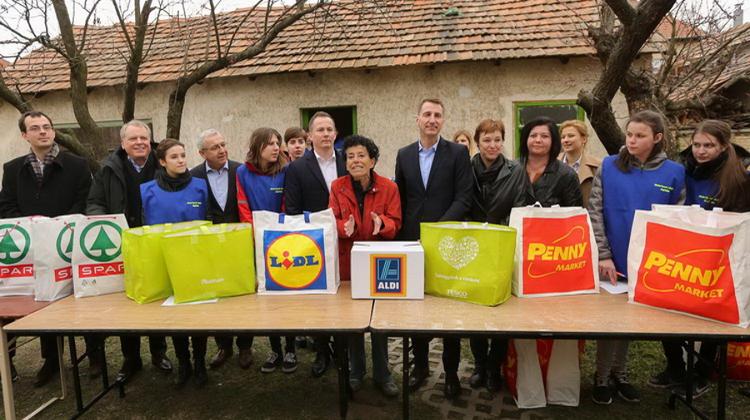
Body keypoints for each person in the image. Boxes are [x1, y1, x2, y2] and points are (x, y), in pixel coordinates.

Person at [588, 110, 685, 405]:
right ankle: (601, 377)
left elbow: (678, 221)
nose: (631, 140)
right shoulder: (608, 166)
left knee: (628, 322)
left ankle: (621, 374)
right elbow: (595, 211)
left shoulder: (675, 173)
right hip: (612, 260)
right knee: (610, 322)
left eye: (640, 136)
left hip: (650, 262)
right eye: (629, 134)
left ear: (657, 138)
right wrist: (604, 254)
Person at [651, 120, 750, 399]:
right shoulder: (681, 169)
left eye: (709, 145)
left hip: (717, 258)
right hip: (679, 252)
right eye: (697, 144)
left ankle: (702, 372)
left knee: (711, 317)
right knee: (667, 308)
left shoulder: (740, 177)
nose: (701, 151)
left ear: (724, 147)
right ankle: (675, 367)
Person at [0, 111, 91, 386]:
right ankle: (51, 360)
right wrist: (32, 227)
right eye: (35, 128)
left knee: (81, 299)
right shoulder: (12, 169)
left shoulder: (77, 164)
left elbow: (84, 200)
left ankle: (95, 355)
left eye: (47, 127)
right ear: (24, 135)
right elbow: (6, 205)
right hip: (31, 249)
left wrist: (58, 227)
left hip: (68, 245)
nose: (43, 132)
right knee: (41, 302)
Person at [394, 98, 472, 399]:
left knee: (449, 309)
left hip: (447, 240)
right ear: (417, 119)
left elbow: (463, 197)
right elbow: (401, 198)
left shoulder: (458, 153)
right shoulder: (404, 155)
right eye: (427, 114)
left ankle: (451, 373)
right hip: (413, 241)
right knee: (417, 307)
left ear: (443, 121)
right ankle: (421, 367)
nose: (432, 119)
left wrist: (438, 231)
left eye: (438, 115)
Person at [87, 119, 173, 383]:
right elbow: (95, 202)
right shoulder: (108, 169)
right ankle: (131, 357)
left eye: (143, 138)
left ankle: (158, 352)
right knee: (128, 302)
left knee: (157, 298)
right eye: (133, 139)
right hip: (123, 244)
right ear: (123, 143)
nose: (139, 143)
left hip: (156, 242)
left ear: (150, 141)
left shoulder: (163, 164)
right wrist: (107, 225)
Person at [329, 135, 401, 397]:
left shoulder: (389, 187)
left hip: (378, 263)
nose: (355, 161)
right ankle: (356, 371)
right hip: (348, 264)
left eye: (361, 155)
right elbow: (331, 221)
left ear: (372, 160)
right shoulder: (337, 186)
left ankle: (383, 374)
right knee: (353, 322)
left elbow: (396, 222)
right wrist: (342, 227)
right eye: (350, 157)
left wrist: (382, 224)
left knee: (379, 323)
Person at [141, 138, 209, 388]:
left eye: (183, 155)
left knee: (196, 316)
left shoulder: (200, 186)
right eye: (174, 157)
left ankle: (200, 362)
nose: (181, 160)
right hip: (164, 263)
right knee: (175, 316)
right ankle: (184, 363)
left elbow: (209, 221)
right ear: (162, 162)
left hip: (195, 261)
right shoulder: (146, 190)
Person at [284, 111, 346, 377]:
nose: (325, 134)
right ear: (310, 136)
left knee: (344, 298)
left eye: (329, 129)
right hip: (314, 242)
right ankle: (322, 351)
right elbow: (293, 209)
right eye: (320, 130)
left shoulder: (347, 159)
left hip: (345, 239)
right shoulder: (297, 168)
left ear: (336, 134)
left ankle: (343, 349)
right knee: (320, 301)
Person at [467, 119, 524, 393]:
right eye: (487, 140)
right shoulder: (466, 169)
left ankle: (494, 368)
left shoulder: (515, 170)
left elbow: (521, 206)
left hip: (502, 245)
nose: (493, 145)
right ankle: (479, 365)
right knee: (475, 310)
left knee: (502, 311)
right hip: (474, 246)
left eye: (497, 139)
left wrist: (503, 232)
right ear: (478, 142)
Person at [236, 127, 298, 374]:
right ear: (257, 146)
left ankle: (291, 349)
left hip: (282, 242)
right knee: (268, 298)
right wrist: (256, 236)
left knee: (286, 296)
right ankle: (275, 350)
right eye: (270, 143)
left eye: (277, 143)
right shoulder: (242, 172)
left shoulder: (286, 170)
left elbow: (286, 205)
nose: (276, 148)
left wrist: (276, 235)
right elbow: (242, 206)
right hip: (257, 243)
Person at [189, 129, 251, 370]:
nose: (222, 150)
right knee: (217, 295)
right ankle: (224, 346)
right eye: (215, 147)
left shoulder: (240, 171)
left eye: (223, 144)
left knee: (242, 295)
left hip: (239, 242)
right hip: (210, 246)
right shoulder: (194, 176)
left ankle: (245, 346)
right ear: (202, 153)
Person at [518, 117, 582, 207]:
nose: (538, 140)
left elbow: (575, 212)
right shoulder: (511, 170)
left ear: (553, 141)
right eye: (533, 136)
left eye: (544, 136)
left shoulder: (566, 175)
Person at [558, 120, 601, 206]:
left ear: (584, 139)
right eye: (563, 137)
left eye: (571, 136)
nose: (566, 140)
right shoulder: (551, 164)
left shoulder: (597, 166)